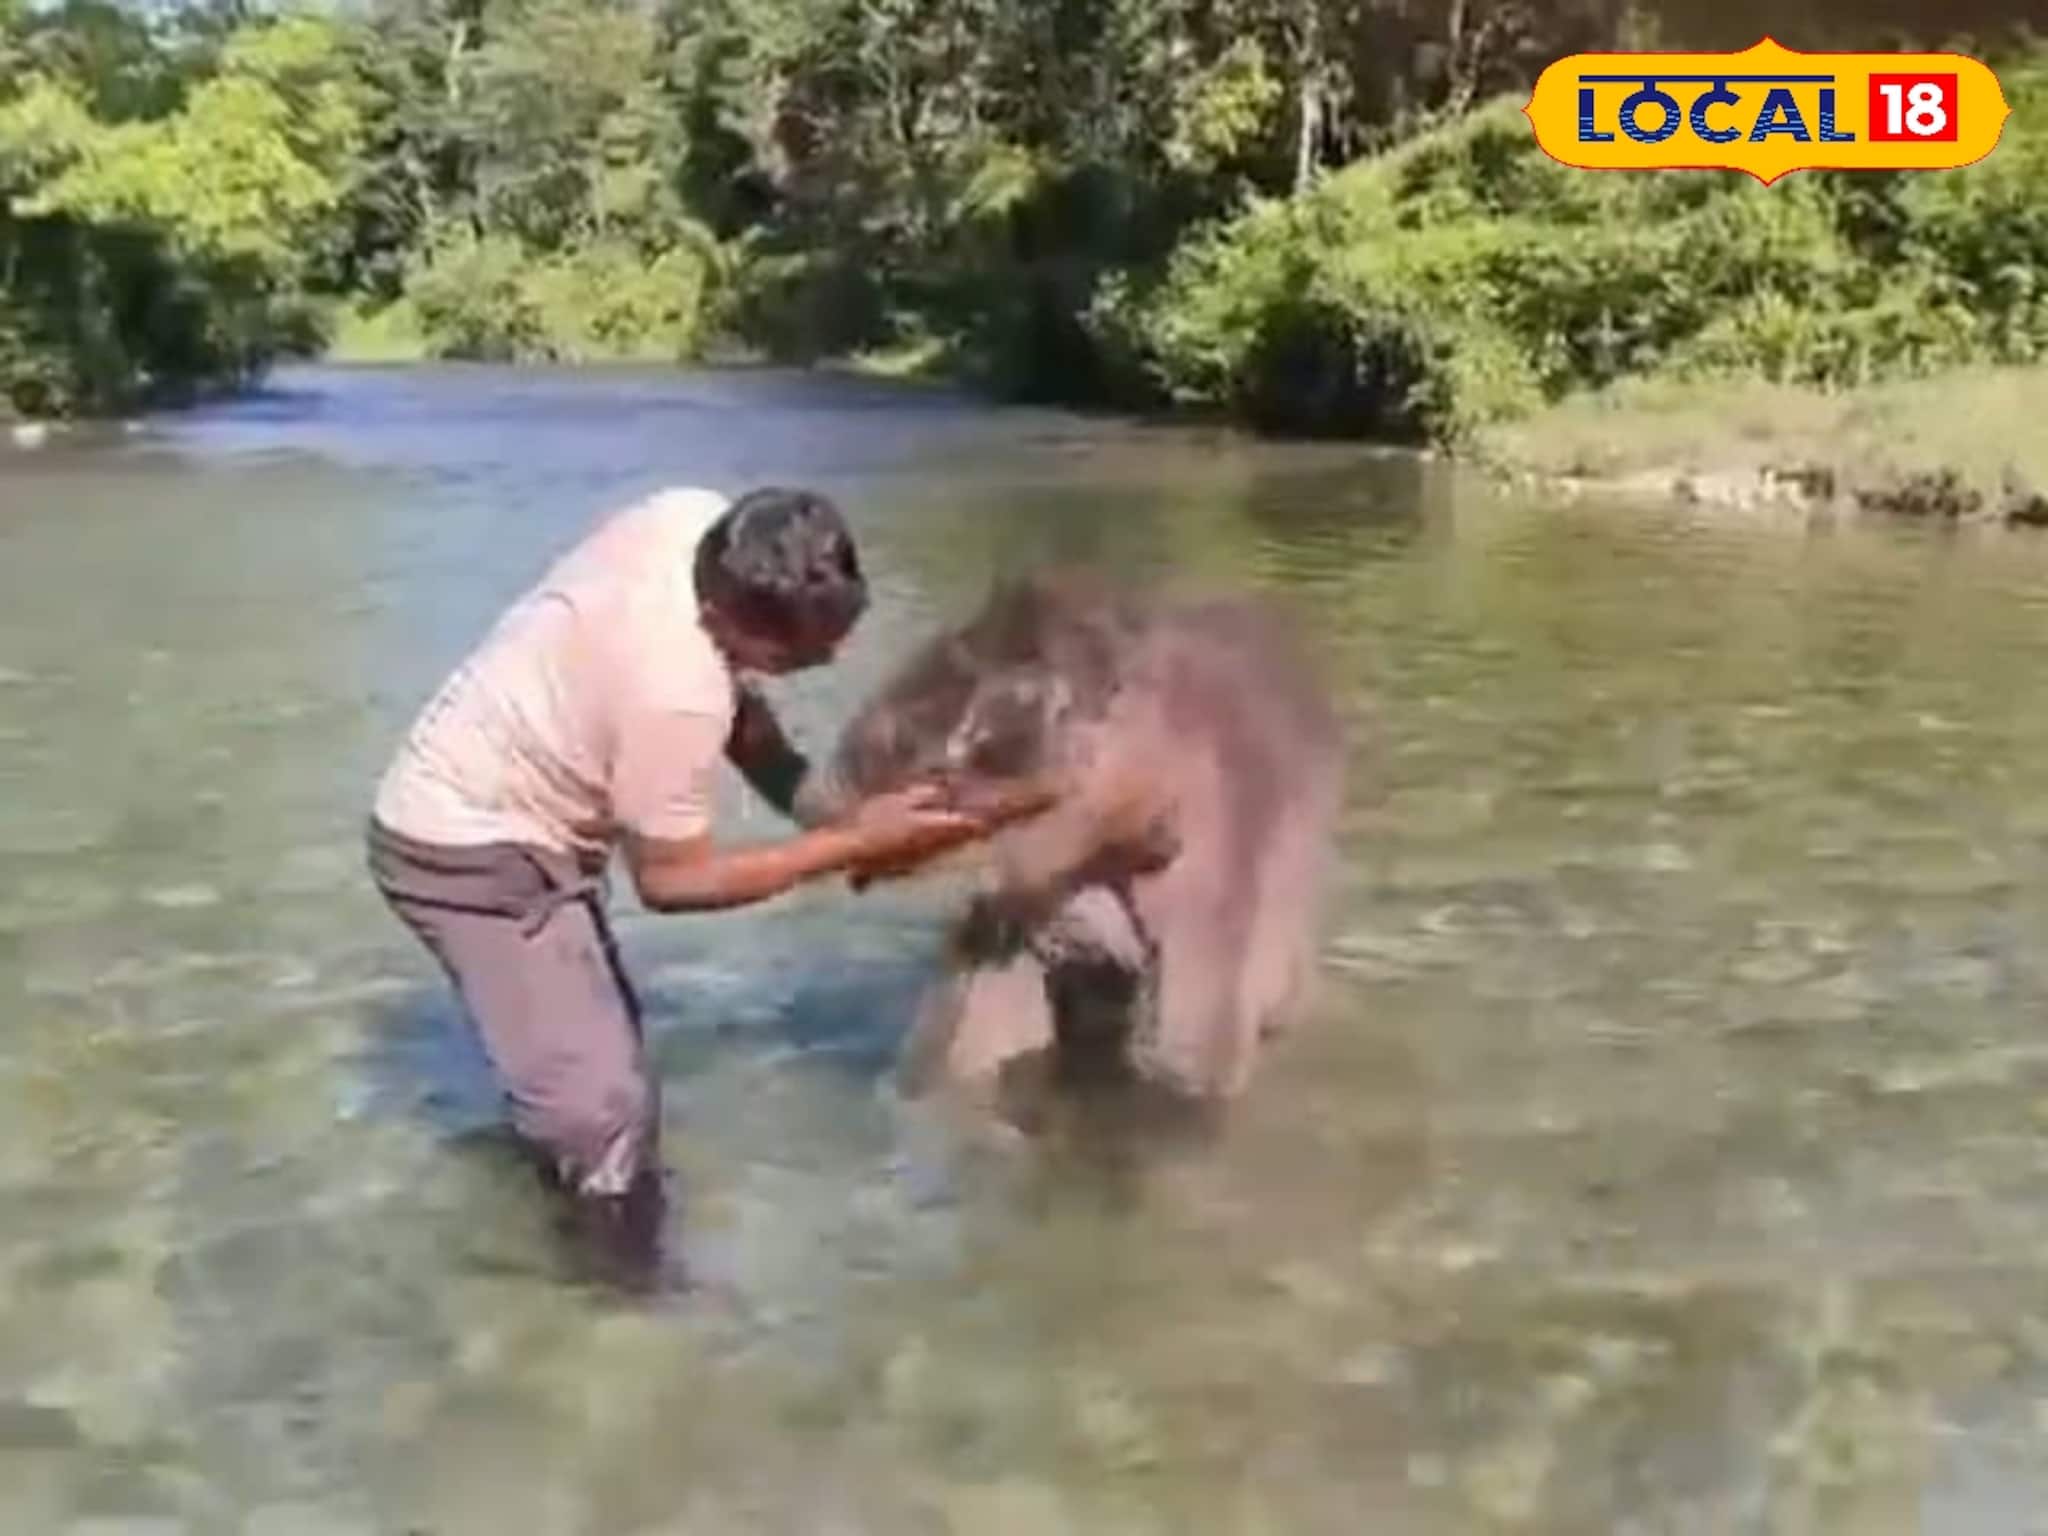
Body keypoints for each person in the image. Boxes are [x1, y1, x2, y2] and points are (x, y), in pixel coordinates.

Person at [364, 484, 1003, 1286]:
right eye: (798, 655)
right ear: (722, 620)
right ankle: (619, 1307)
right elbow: (672, 882)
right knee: (604, 1117)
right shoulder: (674, 692)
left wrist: (832, 812)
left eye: (839, 632)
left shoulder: (691, 521)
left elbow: (742, 711)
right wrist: (852, 844)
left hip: (502, 792)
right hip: (466, 852)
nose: (830, 660)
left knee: (597, 1066)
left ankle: (556, 1154)